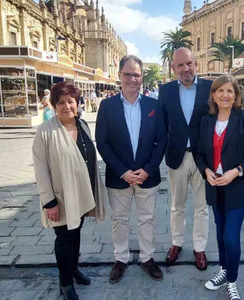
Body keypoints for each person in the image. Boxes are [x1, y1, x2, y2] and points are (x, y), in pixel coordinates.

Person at [96, 55, 167, 283]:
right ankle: (121, 259)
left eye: (136, 74)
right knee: (120, 219)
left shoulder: (153, 106)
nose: (132, 79)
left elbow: (161, 140)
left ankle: (147, 258)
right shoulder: (107, 106)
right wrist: (122, 171)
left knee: (147, 219)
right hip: (119, 177)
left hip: (148, 176)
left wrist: (147, 169)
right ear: (120, 75)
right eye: (127, 74)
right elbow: (102, 142)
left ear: (142, 76)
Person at [32, 81, 106, 300]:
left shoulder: (82, 125)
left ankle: (73, 269)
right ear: (54, 105)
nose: (67, 106)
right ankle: (65, 282)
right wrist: (49, 202)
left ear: (78, 103)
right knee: (64, 238)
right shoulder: (45, 132)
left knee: (76, 232)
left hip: (82, 194)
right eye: (61, 102)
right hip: (61, 198)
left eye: (71, 101)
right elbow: (40, 169)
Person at [194, 74, 244, 300]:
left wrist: (236, 171)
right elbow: (200, 154)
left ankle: (232, 280)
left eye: (230, 91)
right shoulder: (206, 121)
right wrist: (206, 171)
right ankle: (224, 270)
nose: (225, 95)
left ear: (236, 96)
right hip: (215, 187)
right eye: (220, 91)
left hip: (239, 188)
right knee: (221, 233)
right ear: (213, 95)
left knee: (231, 236)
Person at [158, 47, 213, 270]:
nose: (185, 68)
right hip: (176, 157)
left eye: (188, 63)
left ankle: (199, 248)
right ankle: (177, 243)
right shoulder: (166, 90)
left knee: (202, 206)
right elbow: (161, 125)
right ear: (174, 68)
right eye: (180, 65)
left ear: (195, 64)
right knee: (176, 205)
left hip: (202, 159)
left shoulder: (210, 88)